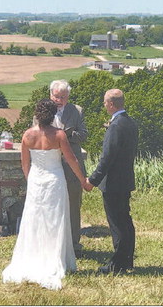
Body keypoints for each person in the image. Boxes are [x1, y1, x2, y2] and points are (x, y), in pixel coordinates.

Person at [3, 99, 87, 290]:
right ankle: (56, 256)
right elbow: (72, 159)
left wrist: (30, 179)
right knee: (56, 219)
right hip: (55, 180)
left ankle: (34, 255)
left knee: (34, 219)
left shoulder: (27, 135)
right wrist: (83, 180)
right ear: (52, 116)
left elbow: (25, 163)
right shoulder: (58, 135)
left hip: (36, 180)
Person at [84, 89, 138, 274]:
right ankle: (127, 260)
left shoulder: (115, 126)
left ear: (111, 104)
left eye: (105, 102)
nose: (104, 105)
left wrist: (92, 180)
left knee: (117, 223)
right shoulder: (130, 122)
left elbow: (107, 158)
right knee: (125, 221)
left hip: (114, 182)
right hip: (125, 179)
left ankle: (118, 264)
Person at [49, 80, 88, 258]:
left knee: (73, 206)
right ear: (51, 94)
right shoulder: (42, 110)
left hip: (72, 165)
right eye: (57, 96)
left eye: (63, 97)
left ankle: (74, 245)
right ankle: (52, 243)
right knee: (51, 206)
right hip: (50, 164)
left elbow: (84, 135)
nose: (59, 100)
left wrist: (69, 135)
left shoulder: (77, 111)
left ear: (68, 97)